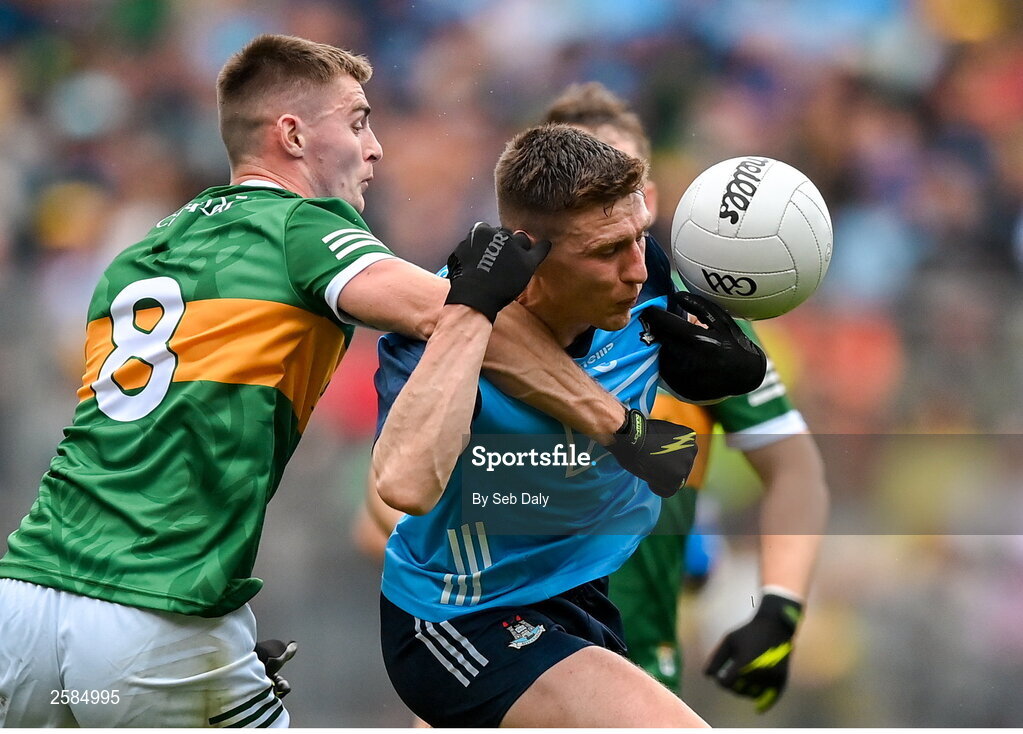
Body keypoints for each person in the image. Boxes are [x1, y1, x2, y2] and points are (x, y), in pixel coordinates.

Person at [0, 36, 698, 728]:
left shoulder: (144, 252)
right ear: (293, 136)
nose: (376, 148)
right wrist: (622, 428)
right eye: (358, 121)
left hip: (28, 599)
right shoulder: (303, 224)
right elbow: (462, 318)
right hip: (157, 613)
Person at [372, 123, 768, 727]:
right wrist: (470, 314)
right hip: (461, 617)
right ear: (530, 256)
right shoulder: (445, 331)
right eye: (608, 252)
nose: (636, 270)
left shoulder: (645, 281)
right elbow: (402, 484)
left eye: (640, 238)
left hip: (584, 600)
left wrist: (726, 362)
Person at [543, 81, 829, 712]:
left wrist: (778, 606)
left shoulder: (698, 329)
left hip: (640, 672)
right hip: (505, 664)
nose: (607, 212)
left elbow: (795, 468)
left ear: (648, 200)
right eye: (582, 195)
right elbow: (393, 512)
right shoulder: (482, 315)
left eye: (620, 190)